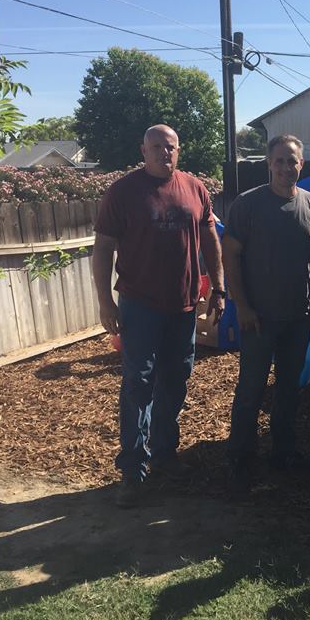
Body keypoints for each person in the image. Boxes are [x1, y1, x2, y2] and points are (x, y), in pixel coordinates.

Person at [93, 124, 224, 508]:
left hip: (183, 306)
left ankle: (165, 454)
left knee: (176, 379)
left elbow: (212, 239)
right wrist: (105, 302)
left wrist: (218, 288)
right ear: (143, 150)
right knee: (138, 383)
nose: (163, 154)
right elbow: (103, 250)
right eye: (156, 147)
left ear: (178, 150)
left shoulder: (195, 188)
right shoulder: (123, 192)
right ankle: (134, 470)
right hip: (140, 305)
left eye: (170, 148)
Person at [223, 134, 310, 493]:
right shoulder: (247, 205)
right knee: (251, 387)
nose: (286, 167)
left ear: (302, 164)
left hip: (297, 317)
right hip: (258, 318)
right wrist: (243, 305)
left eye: (292, 160)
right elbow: (230, 256)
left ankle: (283, 452)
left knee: (288, 389)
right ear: (269, 163)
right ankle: (241, 457)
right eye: (279, 160)